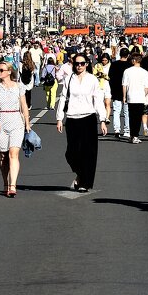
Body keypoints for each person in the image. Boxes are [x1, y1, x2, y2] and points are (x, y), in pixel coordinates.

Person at [56, 52, 110, 193]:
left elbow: (98, 100)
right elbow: (63, 98)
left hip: (88, 118)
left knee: (88, 152)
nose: (79, 66)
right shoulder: (68, 79)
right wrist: (59, 118)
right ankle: (80, 174)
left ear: (87, 64)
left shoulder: (92, 79)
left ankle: (84, 183)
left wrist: (103, 120)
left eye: (82, 63)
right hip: (72, 118)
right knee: (71, 152)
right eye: (76, 63)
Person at [0, 60, 30, 197]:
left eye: (1, 70)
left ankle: (13, 185)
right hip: (2, 121)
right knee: (3, 155)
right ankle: (5, 183)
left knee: (14, 153)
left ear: (9, 71)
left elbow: (24, 105)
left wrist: (27, 122)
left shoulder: (18, 86)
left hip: (16, 121)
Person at [121, 52, 148, 143]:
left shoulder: (127, 71)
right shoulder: (144, 72)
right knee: (138, 117)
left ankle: (133, 135)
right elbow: (147, 87)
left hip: (130, 96)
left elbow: (124, 85)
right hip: (140, 97)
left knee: (131, 116)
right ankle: (135, 135)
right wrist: (144, 95)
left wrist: (124, 96)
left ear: (134, 60)